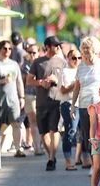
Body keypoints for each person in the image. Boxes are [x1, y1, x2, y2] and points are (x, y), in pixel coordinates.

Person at [71, 36, 100, 169]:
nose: (85, 50)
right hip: (84, 105)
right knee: (88, 136)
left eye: (87, 47)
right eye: (83, 48)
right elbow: (77, 87)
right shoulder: (81, 66)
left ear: (94, 49)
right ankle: (95, 165)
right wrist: (72, 106)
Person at [28, 36, 67, 171]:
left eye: (59, 45)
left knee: (54, 129)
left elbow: (68, 80)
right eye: (55, 45)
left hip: (56, 101)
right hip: (41, 102)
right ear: (48, 47)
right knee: (43, 133)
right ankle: (51, 155)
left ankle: (51, 158)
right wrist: (40, 82)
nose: (58, 47)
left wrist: (57, 79)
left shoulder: (62, 62)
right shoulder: (38, 62)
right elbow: (29, 80)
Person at [0, 40, 25, 158]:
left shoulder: (14, 64)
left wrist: (21, 97)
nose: (7, 51)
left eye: (9, 49)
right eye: (4, 48)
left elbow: (19, 81)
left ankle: (18, 148)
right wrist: (2, 81)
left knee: (16, 124)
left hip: (13, 99)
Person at [56, 49, 80, 171]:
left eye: (79, 58)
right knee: (71, 131)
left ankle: (84, 159)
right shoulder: (64, 72)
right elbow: (63, 90)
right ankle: (68, 160)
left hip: (83, 104)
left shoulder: (82, 69)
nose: (76, 61)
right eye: (74, 58)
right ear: (68, 58)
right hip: (68, 104)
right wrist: (75, 85)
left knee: (84, 133)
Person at [21, 43, 43, 155]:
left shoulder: (43, 64)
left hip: (41, 95)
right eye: (30, 52)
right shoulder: (25, 66)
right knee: (33, 121)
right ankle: (37, 147)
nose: (32, 55)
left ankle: (40, 144)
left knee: (41, 121)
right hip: (29, 95)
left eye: (34, 52)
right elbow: (23, 81)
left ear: (38, 53)